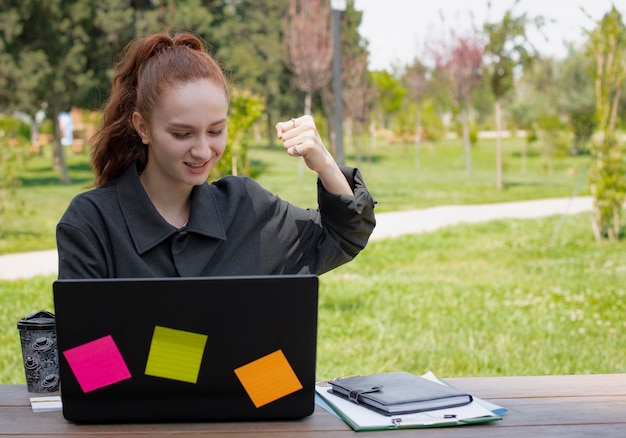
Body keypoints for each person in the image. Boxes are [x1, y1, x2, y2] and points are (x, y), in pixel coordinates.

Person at [56, 31, 375, 279]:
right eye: (181, 134)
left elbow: (342, 235)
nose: (202, 151)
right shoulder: (91, 223)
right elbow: (86, 350)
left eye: (215, 131)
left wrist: (324, 163)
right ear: (143, 127)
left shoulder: (245, 207)